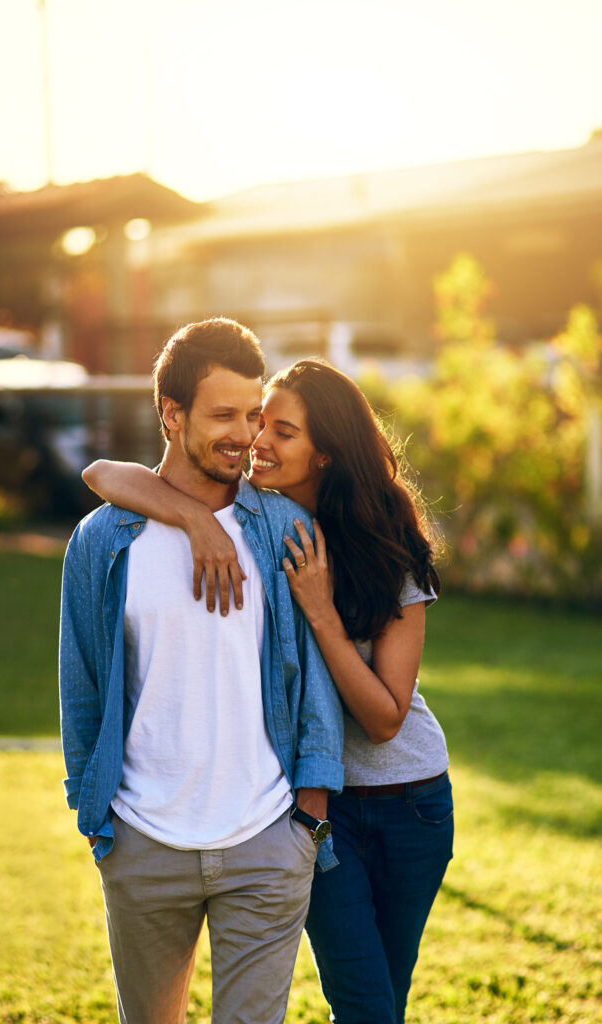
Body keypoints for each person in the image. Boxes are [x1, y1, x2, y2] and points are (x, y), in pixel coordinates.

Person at [83, 355, 453, 1024]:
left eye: (280, 430)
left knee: (380, 1002)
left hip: (408, 800)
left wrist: (321, 612)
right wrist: (195, 519)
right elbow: (103, 474)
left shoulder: (379, 547)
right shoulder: (265, 525)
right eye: (258, 422)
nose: (257, 439)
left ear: (325, 454)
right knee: (365, 1004)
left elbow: (385, 721)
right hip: (320, 807)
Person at [59, 321, 345, 1024]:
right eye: (223, 416)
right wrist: (97, 823)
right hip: (142, 842)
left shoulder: (282, 528)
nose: (245, 436)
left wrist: (307, 821)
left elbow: (313, 680)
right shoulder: (102, 541)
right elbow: (81, 685)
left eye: (252, 415)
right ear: (172, 415)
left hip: (266, 841)